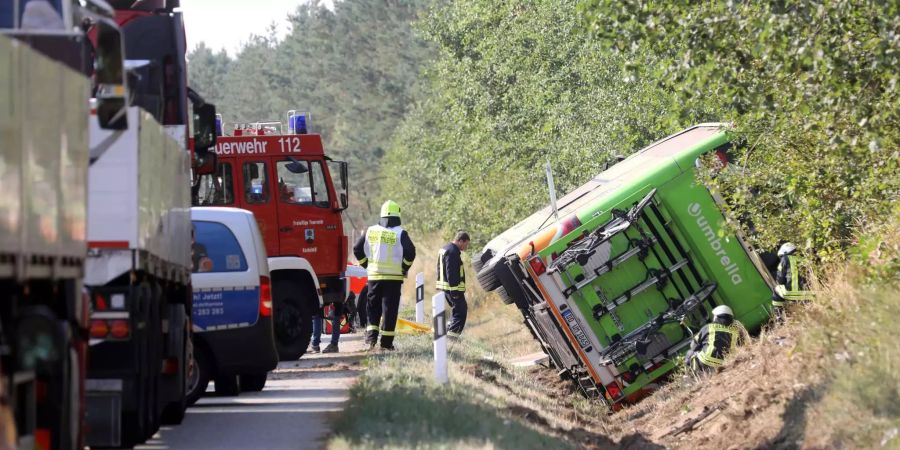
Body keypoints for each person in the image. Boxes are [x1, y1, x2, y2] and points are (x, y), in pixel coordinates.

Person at [353, 200, 416, 351]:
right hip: (393, 278)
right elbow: (411, 253)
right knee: (389, 310)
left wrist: (366, 265)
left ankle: (371, 339)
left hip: (374, 277)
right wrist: (404, 267)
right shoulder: (400, 233)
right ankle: (386, 344)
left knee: (372, 308)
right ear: (397, 216)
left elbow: (357, 249)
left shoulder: (370, 230)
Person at [684, 305, 742, 375]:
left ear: (717, 317)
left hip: (705, 362)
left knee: (690, 352)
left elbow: (693, 345)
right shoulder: (734, 332)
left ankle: (689, 375)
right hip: (724, 363)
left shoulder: (709, 327)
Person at [436, 231, 471, 336]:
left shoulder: (446, 248)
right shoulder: (452, 251)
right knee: (461, 312)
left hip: (447, 288)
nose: (466, 247)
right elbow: (451, 272)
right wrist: (454, 291)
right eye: (466, 244)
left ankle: (448, 333)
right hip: (453, 289)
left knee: (456, 311)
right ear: (460, 241)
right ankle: (452, 337)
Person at [772, 243, 814, 318]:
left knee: (777, 289)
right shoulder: (803, 258)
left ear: (784, 253)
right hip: (811, 293)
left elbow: (779, 280)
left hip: (794, 292)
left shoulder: (785, 259)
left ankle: (779, 317)